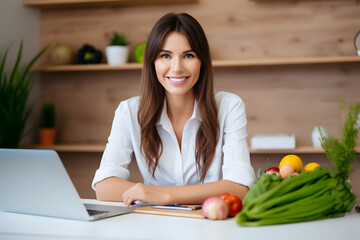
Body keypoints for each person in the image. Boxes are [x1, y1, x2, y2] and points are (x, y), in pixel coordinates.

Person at [92, 13, 255, 207]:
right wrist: (152, 194)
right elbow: (103, 187)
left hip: (208, 224)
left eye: (188, 55)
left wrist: (164, 195)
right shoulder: (129, 111)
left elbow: (239, 187)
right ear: (153, 62)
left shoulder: (229, 107)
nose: (176, 68)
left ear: (202, 62)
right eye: (165, 56)